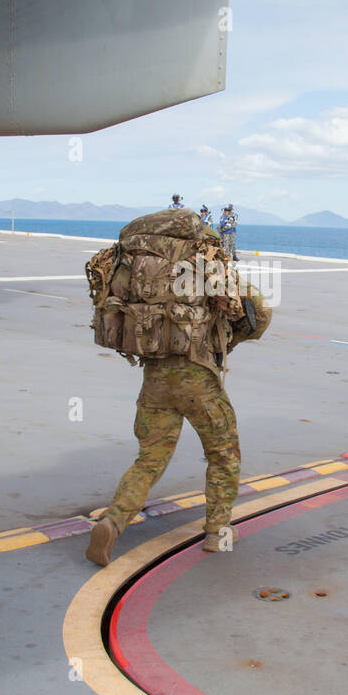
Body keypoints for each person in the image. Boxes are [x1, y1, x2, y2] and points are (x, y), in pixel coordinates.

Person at [85, 215, 271, 567]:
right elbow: (259, 311)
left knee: (149, 460)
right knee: (223, 453)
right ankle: (217, 530)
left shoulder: (134, 265)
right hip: (198, 377)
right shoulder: (205, 262)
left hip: (155, 377)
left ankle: (113, 520)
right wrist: (230, 342)